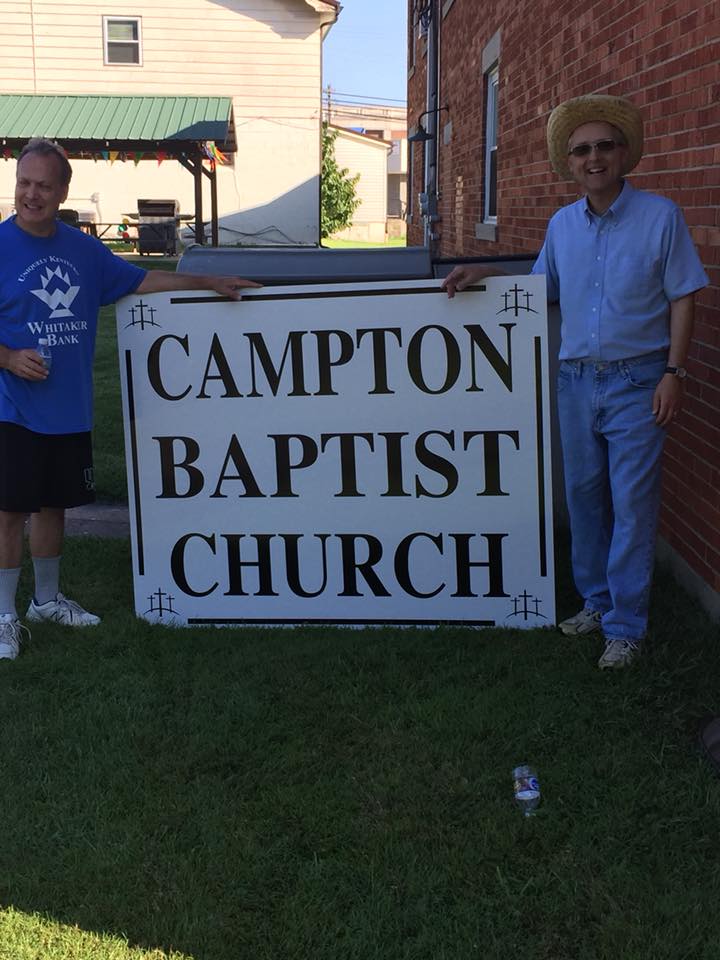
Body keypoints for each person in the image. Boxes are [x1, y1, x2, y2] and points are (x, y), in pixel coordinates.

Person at [443, 95, 708, 669]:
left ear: (623, 154)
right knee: (585, 498)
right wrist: (485, 272)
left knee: (633, 504)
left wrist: (674, 373)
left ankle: (626, 625)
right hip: (575, 381)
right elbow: (545, 286)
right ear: (570, 161)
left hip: (640, 380)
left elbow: (684, 295)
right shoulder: (562, 224)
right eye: (582, 149)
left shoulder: (660, 217)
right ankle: (595, 601)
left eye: (604, 146)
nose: (594, 158)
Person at [0, 137, 260, 660]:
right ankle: (4, 614)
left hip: (68, 406)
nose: (31, 195)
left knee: (54, 505)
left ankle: (46, 600)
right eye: (23, 183)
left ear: (62, 191)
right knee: (9, 511)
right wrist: (7, 358)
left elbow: (142, 280)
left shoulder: (82, 248)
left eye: (43, 186)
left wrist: (208, 281)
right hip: (13, 407)